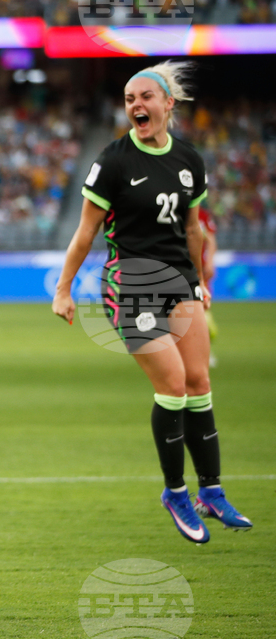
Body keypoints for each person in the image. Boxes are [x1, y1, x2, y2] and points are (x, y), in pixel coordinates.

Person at [51, 61, 252, 544]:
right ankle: (176, 491)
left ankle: (212, 491)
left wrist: (200, 279)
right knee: (174, 385)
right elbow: (85, 232)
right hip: (130, 282)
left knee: (200, 382)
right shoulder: (113, 161)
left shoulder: (189, 160)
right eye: (128, 99)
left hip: (180, 281)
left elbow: (192, 227)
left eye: (145, 97)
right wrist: (63, 288)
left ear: (168, 105)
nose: (136, 105)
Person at [198, 204, 220, 367]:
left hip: (200, 272)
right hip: (178, 269)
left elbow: (211, 240)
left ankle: (205, 351)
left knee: (202, 309)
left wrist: (210, 263)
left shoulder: (202, 215)